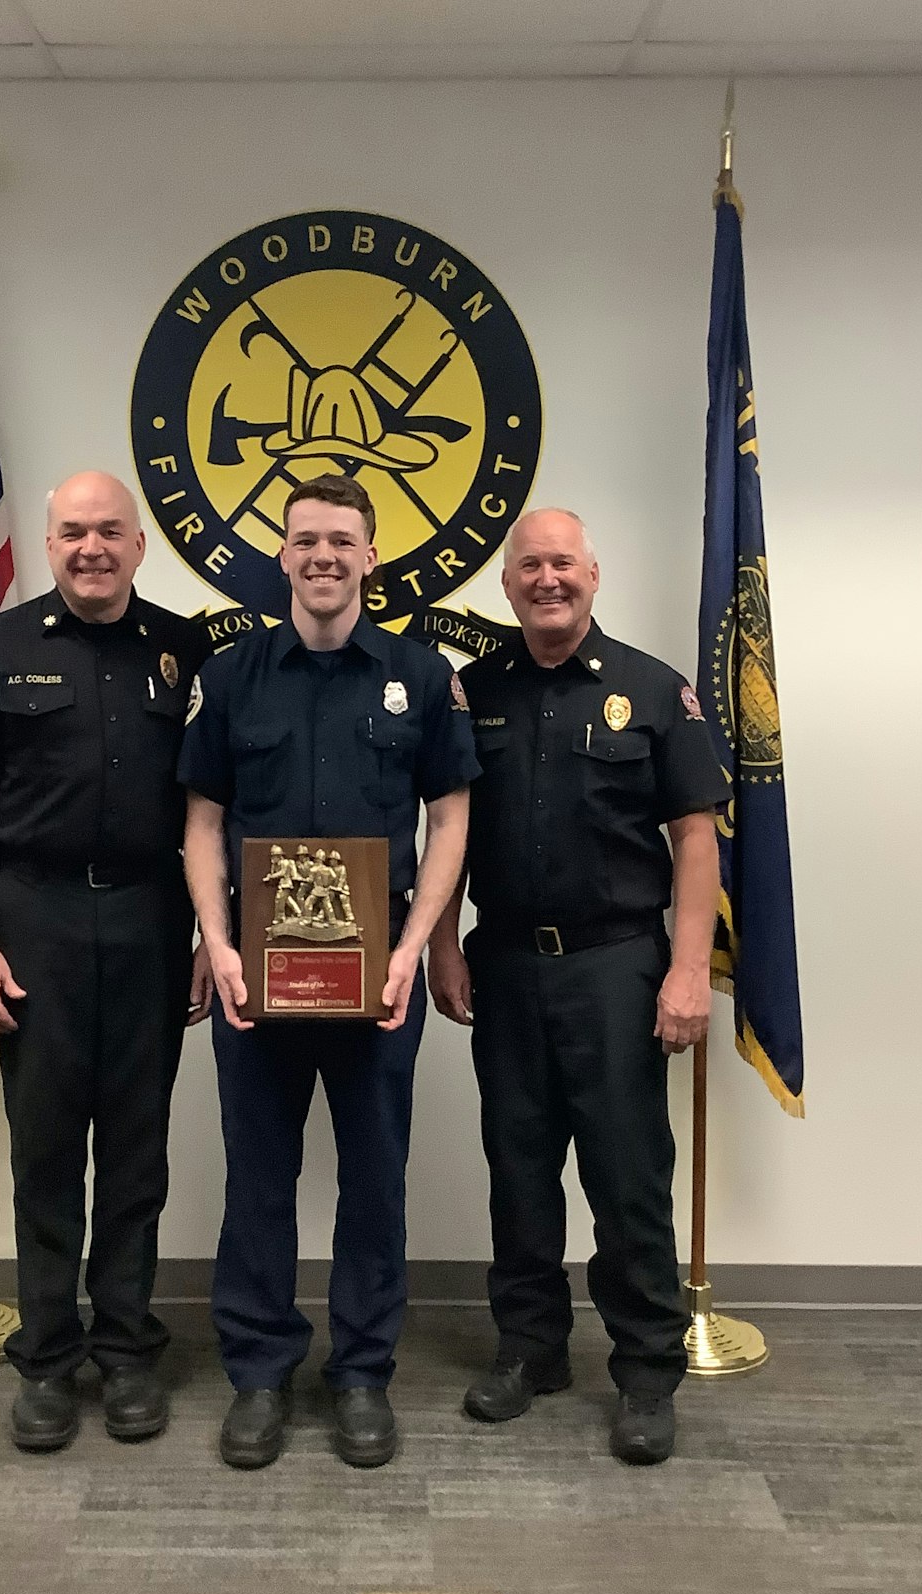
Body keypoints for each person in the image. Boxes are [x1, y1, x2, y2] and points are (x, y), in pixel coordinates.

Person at [180, 474, 478, 1471]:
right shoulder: (231, 677)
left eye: (341, 540)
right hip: (252, 980)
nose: (323, 555)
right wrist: (218, 944)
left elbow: (452, 817)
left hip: (379, 977)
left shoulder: (421, 674)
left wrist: (413, 945)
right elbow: (203, 824)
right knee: (258, 1178)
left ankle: (360, 1374)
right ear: (283, 554)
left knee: (374, 1184)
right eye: (305, 538)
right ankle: (261, 1373)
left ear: (370, 555)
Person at [427, 508, 725, 1466]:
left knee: (628, 1175)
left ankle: (644, 1370)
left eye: (562, 562)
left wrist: (686, 971)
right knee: (517, 1169)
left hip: (617, 967)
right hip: (506, 962)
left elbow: (694, 840)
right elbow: (448, 831)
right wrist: (440, 943)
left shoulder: (650, 690)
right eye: (528, 566)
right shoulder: (472, 693)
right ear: (506, 583)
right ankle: (530, 1349)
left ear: (593, 573)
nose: (546, 578)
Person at [0, 471, 212, 1453]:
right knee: (46, 1148)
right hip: (34, 918)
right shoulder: (3, 645)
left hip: (149, 912)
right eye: (71, 532)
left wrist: (205, 938)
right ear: (50, 545)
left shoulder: (183, 648)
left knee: (137, 1148)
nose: (90, 547)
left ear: (141, 544)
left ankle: (127, 1347)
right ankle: (49, 1358)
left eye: (108, 531)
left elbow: (208, 810)